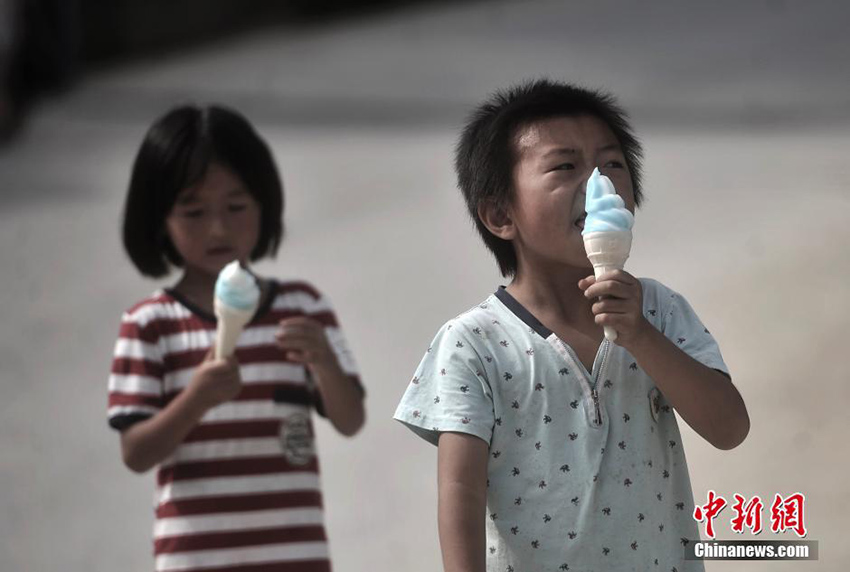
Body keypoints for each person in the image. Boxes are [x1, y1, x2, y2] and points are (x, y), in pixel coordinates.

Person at [394, 79, 749, 572]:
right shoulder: (473, 345)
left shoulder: (659, 309)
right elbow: (460, 491)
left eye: (613, 163)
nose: (599, 183)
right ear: (500, 214)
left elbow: (729, 427)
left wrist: (641, 336)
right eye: (565, 166)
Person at [108, 104, 365, 572]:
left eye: (236, 206)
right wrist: (196, 399)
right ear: (158, 219)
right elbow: (136, 453)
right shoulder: (150, 325)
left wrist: (325, 362)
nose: (218, 228)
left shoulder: (304, 308)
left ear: (265, 206)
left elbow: (350, 420)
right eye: (193, 211)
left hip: (295, 554)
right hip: (195, 557)